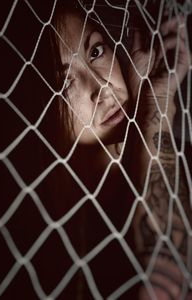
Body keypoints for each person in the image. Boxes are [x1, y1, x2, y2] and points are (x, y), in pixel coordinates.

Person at [47, 1, 192, 299]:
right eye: (64, 83)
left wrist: (156, 99)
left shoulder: (186, 161)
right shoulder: (62, 235)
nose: (101, 88)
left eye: (96, 52)